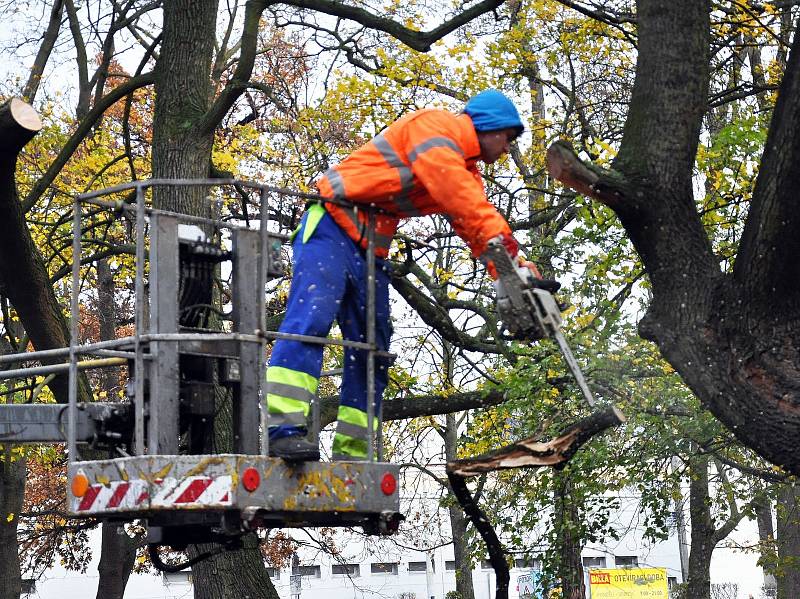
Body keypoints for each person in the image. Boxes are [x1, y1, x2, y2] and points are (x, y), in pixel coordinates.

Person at [266, 89, 539, 461]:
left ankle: (354, 452)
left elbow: (474, 222)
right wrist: (505, 253)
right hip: (330, 226)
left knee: (373, 348)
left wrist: (515, 270)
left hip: (370, 251)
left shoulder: (467, 174)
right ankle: (282, 431)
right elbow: (461, 198)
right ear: (490, 126)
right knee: (310, 321)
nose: (507, 149)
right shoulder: (435, 128)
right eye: (508, 138)